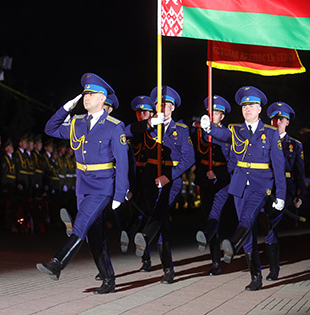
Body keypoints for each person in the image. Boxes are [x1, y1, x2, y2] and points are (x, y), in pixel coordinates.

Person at [37, 73, 129, 294]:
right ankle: (108, 280)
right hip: (83, 184)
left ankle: (58, 263)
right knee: (93, 233)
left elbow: (123, 162)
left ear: (102, 98)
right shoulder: (77, 122)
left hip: (103, 185)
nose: (86, 97)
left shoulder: (115, 126)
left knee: (81, 222)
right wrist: (65, 108)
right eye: (85, 93)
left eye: (91, 94)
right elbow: (50, 129)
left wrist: (119, 193)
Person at [201, 86, 286, 291]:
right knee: (247, 229)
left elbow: (279, 167)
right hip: (239, 184)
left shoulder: (271, 133)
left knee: (247, 218)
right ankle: (255, 276)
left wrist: (281, 196)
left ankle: (232, 243)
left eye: (251, 106)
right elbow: (220, 134)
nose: (247, 109)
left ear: (259, 109)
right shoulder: (235, 130)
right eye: (244, 106)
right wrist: (209, 128)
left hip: (261, 184)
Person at [129, 86, 195, 284]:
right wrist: (148, 124)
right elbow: (126, 132)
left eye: (166, 104)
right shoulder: (149, 127)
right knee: (161, 221)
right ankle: (168, 268)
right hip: (150, 178)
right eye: (158, 103)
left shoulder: (181, 130)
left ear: (173, 108)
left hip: (171, 179)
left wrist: (170, 176)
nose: (162, 106)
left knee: (159, 212)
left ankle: (146, 238)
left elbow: (188, 158)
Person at [263, 101, 305, 281]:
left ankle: (274, 269)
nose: (277, 122)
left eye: (281, 119)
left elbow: (299, 172)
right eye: (274, 119)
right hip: (265, 186)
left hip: (285, 188)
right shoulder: (263, 140)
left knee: (272, 222)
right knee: (264, 223)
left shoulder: (295, 145)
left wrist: (299, 194)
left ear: (287, 122)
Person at [194, 95, 232, 276]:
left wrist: (217, 173)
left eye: (216, 113)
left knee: (215, 214)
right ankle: (216, 261)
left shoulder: (227, 134)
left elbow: (233, 162)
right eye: (210, 112)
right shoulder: (200, 132)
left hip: (222, 180)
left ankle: (209, 235)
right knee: (208, 216)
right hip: (205, 180)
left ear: (222, 117)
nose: (212, 116)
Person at [121, 95, 155, 272]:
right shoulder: (133, 132)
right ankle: (145, 258)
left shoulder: (157, 131)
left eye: (146, 112)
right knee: (137, 216)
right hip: (134, 181)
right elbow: (127, 131)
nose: (142, 115)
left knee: (146, 218)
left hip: (151, 180)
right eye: (139, 112)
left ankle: (148, 257)